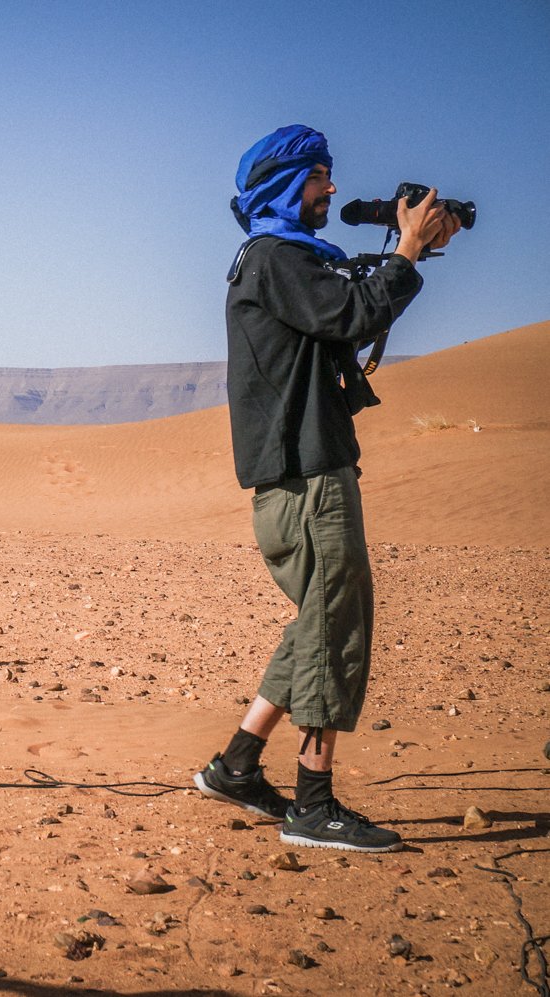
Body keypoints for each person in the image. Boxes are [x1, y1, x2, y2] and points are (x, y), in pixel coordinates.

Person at [194, 125, 460, 852]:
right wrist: (404, 253)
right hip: (308, 477)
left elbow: (345, 305)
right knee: (336, 624)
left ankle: (238, 764)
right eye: (319, 176)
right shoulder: (276, 259)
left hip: (300, 474)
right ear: (285, 183)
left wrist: (408, 252)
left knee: (318, 618)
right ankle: (313, 803)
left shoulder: (285, 262)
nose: (332, 190)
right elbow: (354, 313)